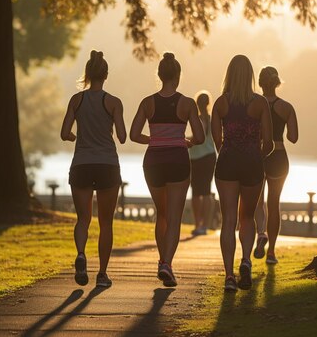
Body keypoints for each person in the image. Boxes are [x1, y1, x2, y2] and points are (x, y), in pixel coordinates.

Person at [130, 52, 204, 287]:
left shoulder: (147, 102)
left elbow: (133, 135)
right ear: (178, 76)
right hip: (178, 161)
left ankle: (162, 260)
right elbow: (201, 137)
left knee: (161, 214)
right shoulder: (187, 103)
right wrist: (185, 140)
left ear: (160, 76)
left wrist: (154, 140)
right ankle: (166, 264)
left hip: (153, 162)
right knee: (174, 217)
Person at [61, 50, 126, 288]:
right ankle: (102, 274)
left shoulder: (76, 101)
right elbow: (122, 136)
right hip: (107, 165)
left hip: (82, 165)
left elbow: (64, 133)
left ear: (87, 73)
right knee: (105, 222)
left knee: (83, 219)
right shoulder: (113, 102)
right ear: (106, 75)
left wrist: (74, 137)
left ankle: (80, 254)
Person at [211, 55, 273, 292]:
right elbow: (268, 142)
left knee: (228, 221)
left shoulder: (220, 103)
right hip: (252, 163)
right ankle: (246, 260)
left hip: (227, 162)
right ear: (250, 76)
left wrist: (228, 151)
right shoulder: (260, 103)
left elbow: (217, 140)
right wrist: (256, 154)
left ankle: (229, 276)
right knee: (247, 217)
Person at [254, 66, 298, 264]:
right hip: (279, 156)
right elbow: (293, 137)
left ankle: (260, 232)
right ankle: (271, 252)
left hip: (258, 155)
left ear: (261, 83)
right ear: (277, 82)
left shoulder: (254, 105)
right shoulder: (286, 107)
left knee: (256, 200)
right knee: (274, 204)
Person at [189, 91, 216, 236]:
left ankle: (199, 223)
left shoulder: (199, 119)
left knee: (197, 192)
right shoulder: (212, 119)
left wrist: (186, 140)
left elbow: (199, 137)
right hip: (208, 156)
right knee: (205, 191)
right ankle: (204, 225)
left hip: (197, 157)